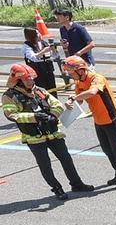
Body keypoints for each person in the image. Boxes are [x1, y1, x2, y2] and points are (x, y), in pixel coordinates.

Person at [2, 63, 93, 200]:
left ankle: (77, 184)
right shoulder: (9, 96)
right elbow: (11, 114)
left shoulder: (39, 90)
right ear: (18, 81)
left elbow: (56, 104)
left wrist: (53, 115)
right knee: (45, 165)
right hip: (34, 137)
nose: (31, 82)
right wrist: (35, 117)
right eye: (27, 79)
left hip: (52, 133)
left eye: (32, 79)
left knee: (66, 159)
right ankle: (57, 189)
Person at [65, 57, 116, 189]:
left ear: (80, 70)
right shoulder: (79, 82)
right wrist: (71, 102)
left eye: (71, 72)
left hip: (111, 119)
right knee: (107, 149)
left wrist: (74, 97)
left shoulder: (97, 78)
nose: (70, 75)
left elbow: (92, 92)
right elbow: (80, 99)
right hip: (98, 120)